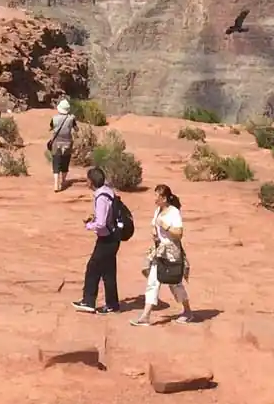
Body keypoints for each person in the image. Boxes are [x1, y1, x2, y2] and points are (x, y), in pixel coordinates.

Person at [133, 185, 192, 326]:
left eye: (156, 196)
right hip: (159, 251)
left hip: (171, 253)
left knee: (175, 284)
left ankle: (188, 312)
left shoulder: (174, 213)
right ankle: (145, 316)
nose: (154, 199)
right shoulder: (157, 211)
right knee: (153, 282)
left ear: (164, 198)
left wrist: (164, 226)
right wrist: (154, 231)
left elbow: (179, 233)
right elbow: (154, 225)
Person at [76, 166, 125, 314]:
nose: (86, 182)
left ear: (91, 181)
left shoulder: (101, 196)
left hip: (107, 239)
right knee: (108, 271)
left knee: (93, 268)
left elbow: (102, 223)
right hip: (112, 238)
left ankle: (88, 301)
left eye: (87, 179)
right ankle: (112, 304)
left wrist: (89, 225)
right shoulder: (107, 191)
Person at [48, 98, 78, 193]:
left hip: (56, 143)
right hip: (67, 143)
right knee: (65, 162)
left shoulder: (54, 118)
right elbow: (76, 129)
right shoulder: (71, 118)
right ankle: (63, 181)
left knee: (56, 162)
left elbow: (51, 127)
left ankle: (56, 184)